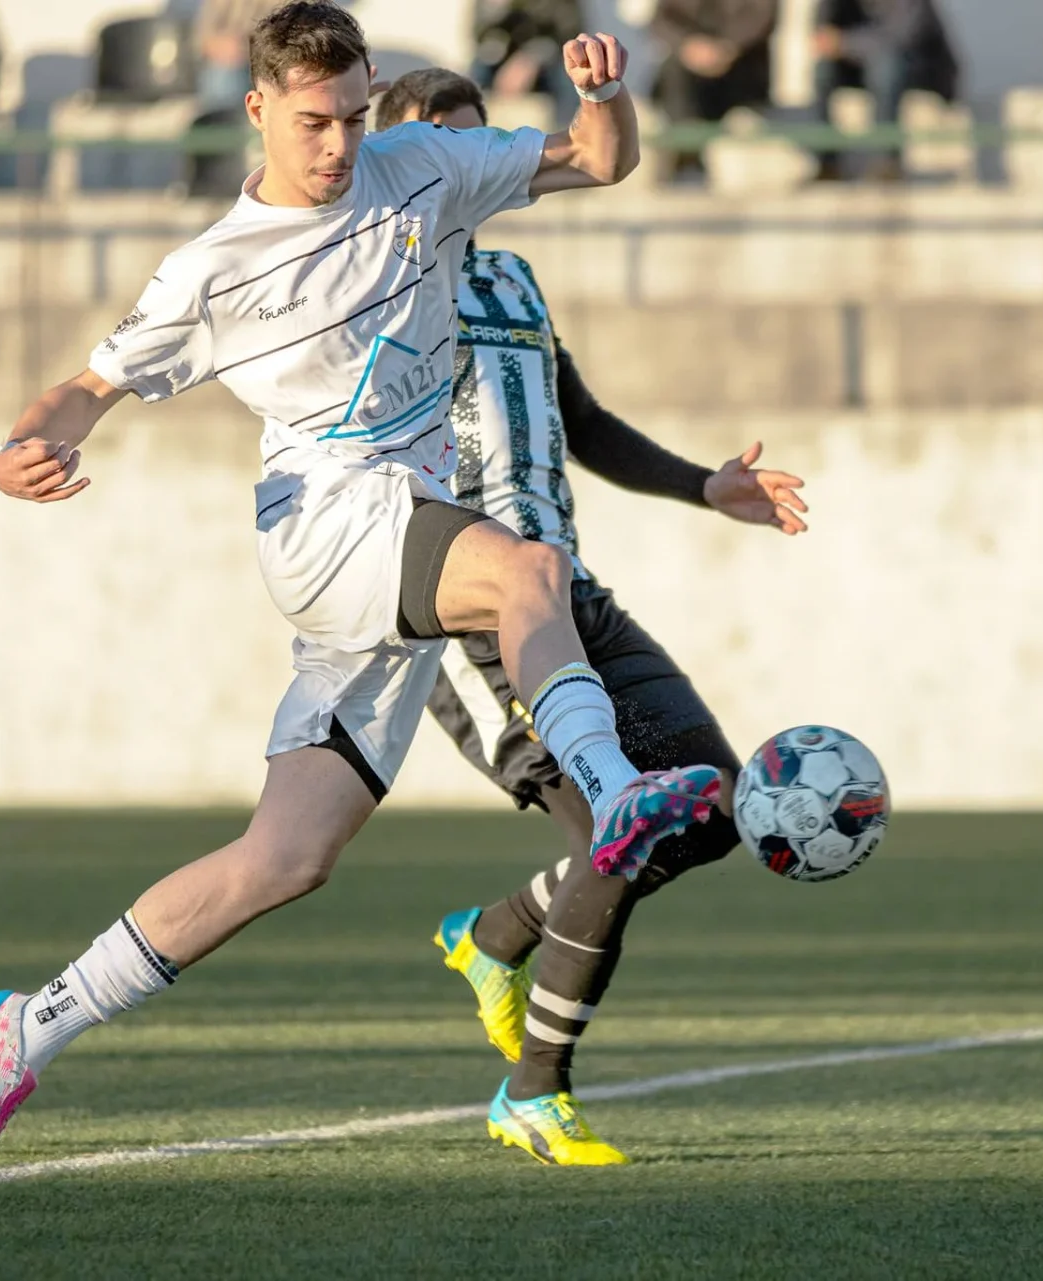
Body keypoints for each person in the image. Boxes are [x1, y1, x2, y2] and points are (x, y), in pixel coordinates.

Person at [0, 1, 725, 1171]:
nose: (341, 144)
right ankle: (615, 795)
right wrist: (21, 447)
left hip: (390, 546)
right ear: (257, 109)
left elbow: (596, 164)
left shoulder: (420, 167)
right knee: (528, 568)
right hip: (324, 521)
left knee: (285, 860)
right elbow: (83, 389)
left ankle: (33, 1021)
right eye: (315, 121)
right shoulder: (211, 271)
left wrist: (604, 97)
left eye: (356, 115)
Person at [375, 67, 807, 1165]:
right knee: (616, 839)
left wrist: (703, 485)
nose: (460, 172)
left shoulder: (513, 281)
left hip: (570, 596)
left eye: (476, 149)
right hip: (465, 612)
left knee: (710, 807)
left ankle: (494, 936)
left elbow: (587, 426)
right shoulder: (364, 286)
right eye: (433, 149)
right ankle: (535, 1093)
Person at [809, 0, 959, 183]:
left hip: (919, 69)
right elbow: (823, 32)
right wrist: (831, 39)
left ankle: (886, 162)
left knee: (885, 68)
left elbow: (898, 39)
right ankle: (827, 164)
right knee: (823, 70)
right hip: (862, 65)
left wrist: (843, 42)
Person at [649, 0, 777, 180]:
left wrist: (726, 48)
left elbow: (763, 17)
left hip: (742, 70)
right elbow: (661, 19)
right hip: (689, 71)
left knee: (743, 127)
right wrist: (689, 46)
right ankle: (687, 156)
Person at [473, 0, 588, 123]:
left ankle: (568, 134)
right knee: (474, 73)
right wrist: (496, 9)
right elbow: (480, 34)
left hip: (547, 59)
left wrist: (531, 58)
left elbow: (568, 34)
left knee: (570, 76)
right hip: (503, 59)